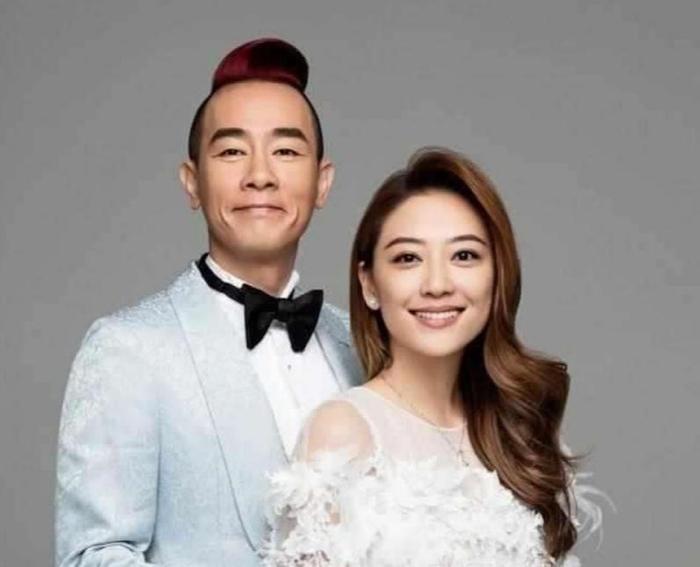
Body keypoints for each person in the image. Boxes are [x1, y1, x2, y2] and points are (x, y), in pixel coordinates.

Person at [55, 38, 362, 567]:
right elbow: (91, 556)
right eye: (232, 151)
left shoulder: (360, 344)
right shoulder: (126, 349)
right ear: (192, 182)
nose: (260, 175)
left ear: (322, 182)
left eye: (286, 151)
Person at [261, 148, 602, 566]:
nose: (437, 284)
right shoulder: (343, 433)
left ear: (497, 274)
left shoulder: (518, 430)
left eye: (464, 255)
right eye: (408, 258)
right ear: (369, 284)